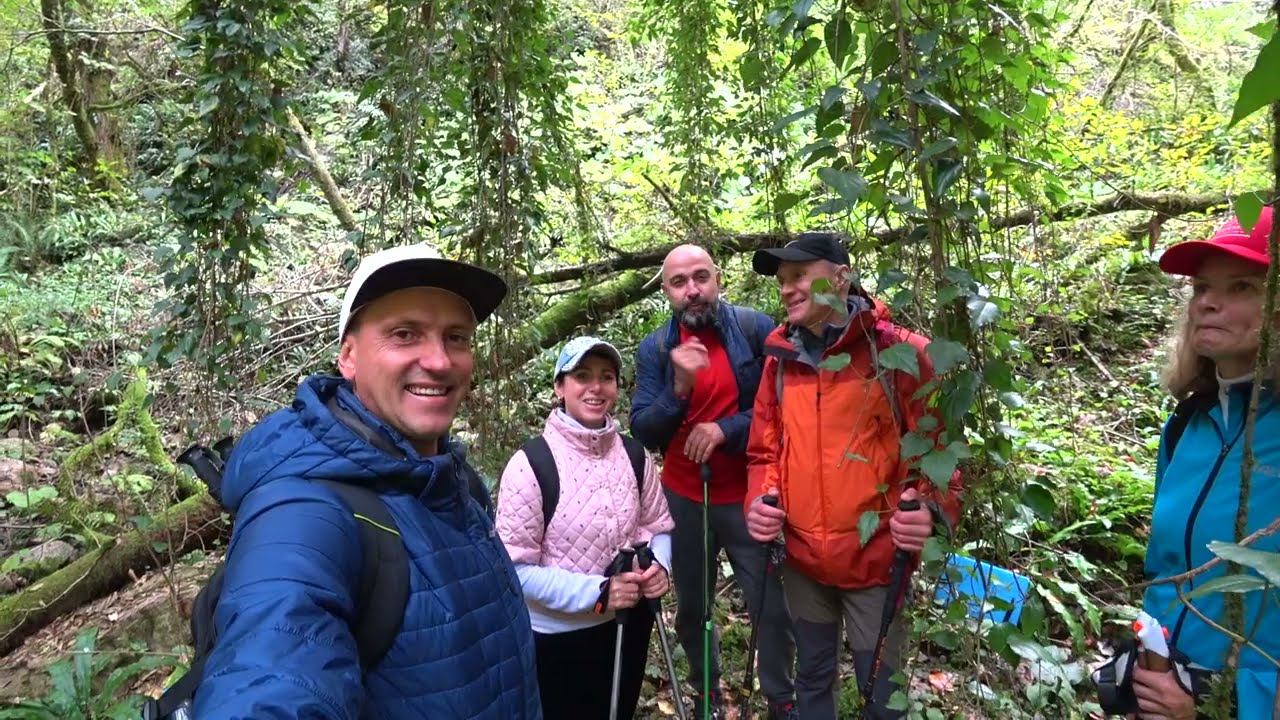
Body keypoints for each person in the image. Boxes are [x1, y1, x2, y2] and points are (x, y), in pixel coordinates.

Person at [192, 245, 541, 719]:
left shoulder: (454, 484)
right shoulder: (307, 509)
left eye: (456, 337)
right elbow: (270, 675)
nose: (439, 361)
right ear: (349, 357)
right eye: (404, 334)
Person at [743, 232, 963, 720]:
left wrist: (926, 509)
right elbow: (765, 452)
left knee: (881, 695)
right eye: (782, 280)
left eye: (800, 275)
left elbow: (939, 456)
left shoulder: (902, 355)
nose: (787, 288)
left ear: (842, 277)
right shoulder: (780, 360)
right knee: (812, 679)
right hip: (803, 561)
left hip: (874, 563)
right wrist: (762, 500)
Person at [630, 244, 797, 719]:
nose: (692, 291)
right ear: (665, 291)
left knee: (771, 607)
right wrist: (679, 388)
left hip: (749, 495)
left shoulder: (755, 330)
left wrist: (725, 428)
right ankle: (707, 689)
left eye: (700, 278)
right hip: (684, 497)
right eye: (679, 283)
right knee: (692, 609)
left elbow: (785, 408)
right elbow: (643, 427)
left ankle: (780, 698)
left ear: (718, 279)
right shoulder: (656, 349)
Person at [1132, 205, 1280, 720]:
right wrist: (1152, 666)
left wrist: (1229, 706)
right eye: (1200, 288)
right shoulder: (1190, 422)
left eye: (1241, 286)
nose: (1208, 305)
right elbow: (1164, 570)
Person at [495, 336, 675, 720]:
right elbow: (515, 570)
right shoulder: (531, 464)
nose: (596, 387)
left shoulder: (634, 454)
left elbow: (656, 525)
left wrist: (660, 566)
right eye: (582, 375)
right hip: (558, 637)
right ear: (560, 386)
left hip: (628, 622)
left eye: (606, 377)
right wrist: (598, 593)